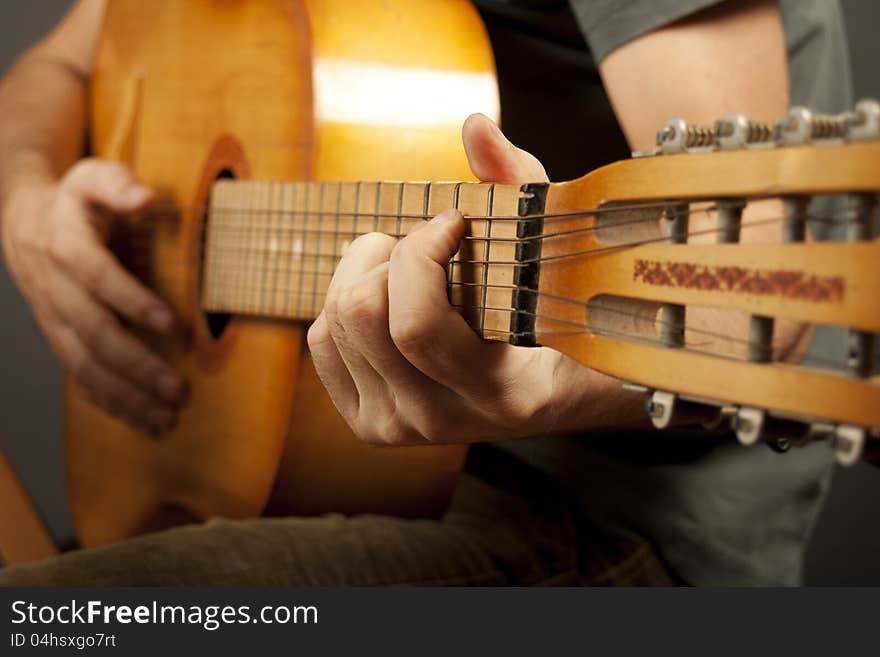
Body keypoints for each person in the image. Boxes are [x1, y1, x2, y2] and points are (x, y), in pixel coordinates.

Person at [0, 0, 851, 585]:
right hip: (303, 474)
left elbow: (756, 289)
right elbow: (63, 62)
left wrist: (545, 386)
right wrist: (27, 200)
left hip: (603, 514)